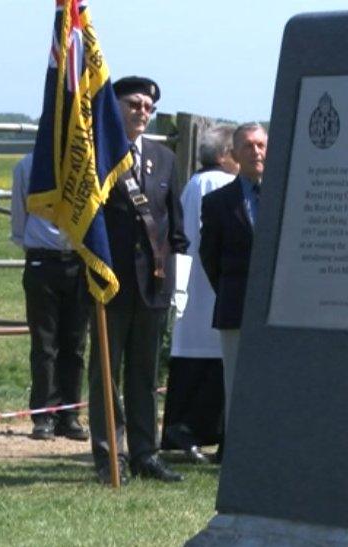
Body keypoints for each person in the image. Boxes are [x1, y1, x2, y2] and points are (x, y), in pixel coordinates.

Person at [87, 76, 188, 484]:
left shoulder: (164, 159)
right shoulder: (96, 156)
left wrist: (177, 286)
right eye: (134, 104)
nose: (142, 112)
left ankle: (146, 453)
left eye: (148, 106)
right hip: (109, 283)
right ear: (114, 107)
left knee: (145, 375)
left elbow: (176, 229)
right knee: (106, 375)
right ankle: (110, 456)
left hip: (154, 284)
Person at [161, 125, 238, 464]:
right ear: (224, 155)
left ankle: (185, 430)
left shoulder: (193, 183)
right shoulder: (220, 185)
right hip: (211, 285)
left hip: (194, 286)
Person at [10, 153, 91, 441]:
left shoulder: (85, 163)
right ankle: (43, 414)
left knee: (75, 343)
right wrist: (36, 246)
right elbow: (19, 218)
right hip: (42, 261)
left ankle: (69, 414)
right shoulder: (28, 166)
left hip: (78, 261)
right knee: (44, 343)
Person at [199, 122, 267, 435]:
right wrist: (232, 289)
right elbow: (209, 258)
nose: (256, 151)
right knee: (236, 382)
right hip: (236, 305)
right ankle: (237, 450)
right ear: (234, 154)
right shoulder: (217, 202)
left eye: (261, 145)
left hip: (281, 309)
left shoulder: (291, 197)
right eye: (248, 146)